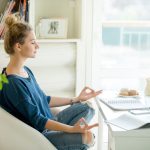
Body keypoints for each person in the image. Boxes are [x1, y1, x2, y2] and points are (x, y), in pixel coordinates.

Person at [0, 15, 102, 150]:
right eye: (32, 42)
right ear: (18, 46)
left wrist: (76, 99)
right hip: (41, 134)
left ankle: (71, 140)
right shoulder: (13, 84)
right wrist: (71, 129)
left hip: (50, 121)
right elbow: (37, 120)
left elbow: (44, 99)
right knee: (87, 138)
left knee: (87, 107)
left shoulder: (25, 71)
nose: (38, 46)